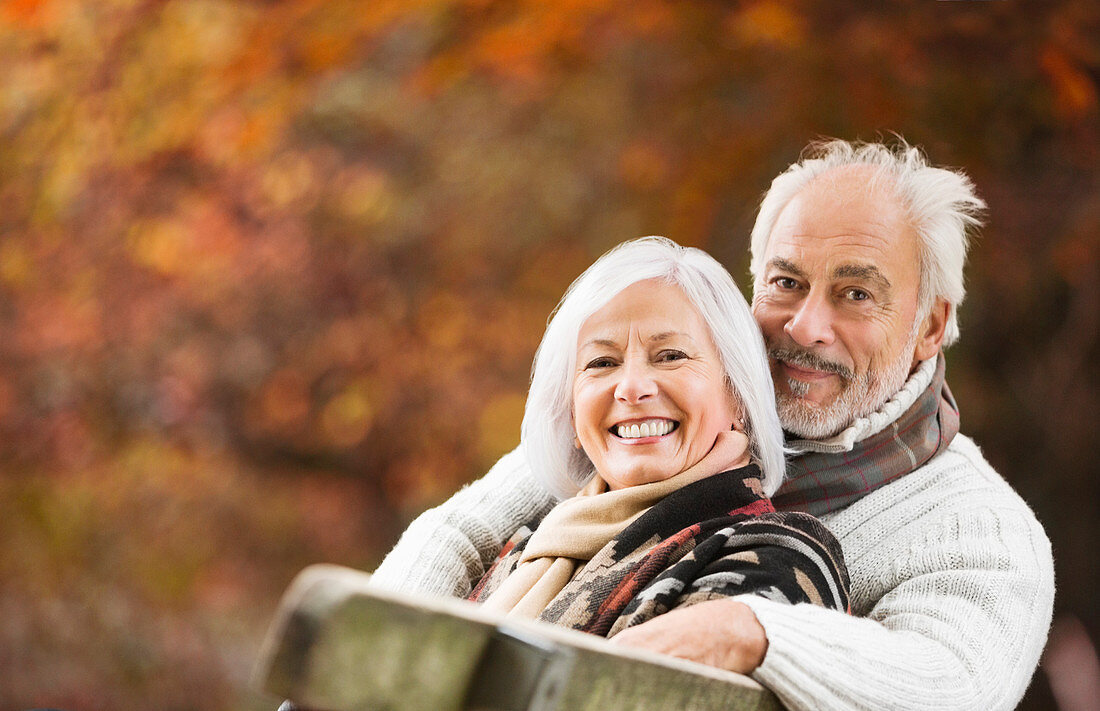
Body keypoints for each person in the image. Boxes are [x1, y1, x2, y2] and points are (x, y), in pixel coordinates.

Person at [369, 140, 1055, 711]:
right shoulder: (660, 420)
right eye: (785, 283)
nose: (806, 325)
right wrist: (363, 665)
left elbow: (953, 684)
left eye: (855, 293)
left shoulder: (984, 530)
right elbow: (462, 531)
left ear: (930, 323)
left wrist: (751, 630)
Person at [466, 237, 849, 634]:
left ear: (738, 397)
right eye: (602, 362)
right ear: (572, 410)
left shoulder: (773, 557)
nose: (631, 388)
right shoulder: (526, 546)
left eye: (671, 356)